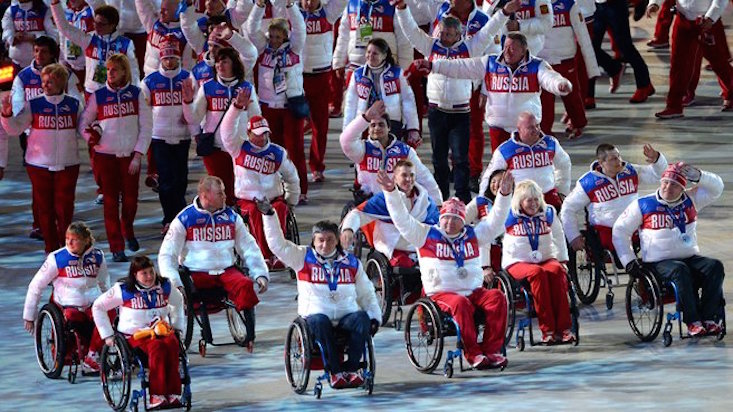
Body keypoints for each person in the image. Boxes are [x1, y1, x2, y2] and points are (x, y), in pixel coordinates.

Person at [379, 168, 513, 368]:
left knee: (497, 298)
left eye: (456, 219)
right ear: (440, 218)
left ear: (463, 221)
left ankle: (492, 350)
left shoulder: (472, 235)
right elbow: (402, 220)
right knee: (460, 303)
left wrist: (503, 196)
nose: (450, 223)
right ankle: (473, 353)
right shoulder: (424, 234)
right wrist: (391, 193)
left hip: (474, 291)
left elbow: (496, 222)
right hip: (441, 294)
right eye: (446, 218)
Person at [395, 0, 517, 202]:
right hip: (436, 111)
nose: (443, 38)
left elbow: (489, 31)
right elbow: (411, 31)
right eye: (441, 33)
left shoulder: (470, 47)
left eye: (448, 35)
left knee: (461, 160)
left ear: (459, 35)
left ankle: (463, 199)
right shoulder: (430, 45)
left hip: (461, 113)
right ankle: (441, 198)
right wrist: (402, 9)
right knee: (439, 160)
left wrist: (503, 12)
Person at [261, 206, 381, 388]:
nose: (325, 245)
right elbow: (278, 245)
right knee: (320, 320)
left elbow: (366, 293)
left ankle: (351, 369)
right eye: (321, 240)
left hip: (345, 318)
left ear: (338, 240)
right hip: (316, 318)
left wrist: (374, 316)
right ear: (313, 241)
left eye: (330, 240)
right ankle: (335, 372)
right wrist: (269, 216)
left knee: (362, 318)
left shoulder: (352, 263)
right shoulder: (302, 257)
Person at [612, 162, 725, 337]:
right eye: (665, 182)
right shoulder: (643, 204)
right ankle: (693, 321)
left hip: (689, 257)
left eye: (674, 184)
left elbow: (717, 188)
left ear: (682, 188)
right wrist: (628, 260)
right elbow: (620, 230)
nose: (668, 187)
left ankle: (709, 318)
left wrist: (700, 176)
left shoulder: (691, 200)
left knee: (715, 266)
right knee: (680, 271)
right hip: (658, 262)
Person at [409, 32, 571, 151]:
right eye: (506, 47)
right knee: (500, 172)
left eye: (513, 48)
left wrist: (560, 84)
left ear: (524, 51)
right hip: (498, 127)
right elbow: (461, 66)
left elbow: (550, 77)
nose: (507, 51)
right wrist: (434, 66)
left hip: (526, 129)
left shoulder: (537, 65)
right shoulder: (490, 62)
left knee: (525, 171)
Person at [158, 176, 268, 349]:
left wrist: (260, 273)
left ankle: (249, 335)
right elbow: (167, 255)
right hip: (196, 272)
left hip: (227, 270)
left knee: (245, 285)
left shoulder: (232, 216)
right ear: (205, 195)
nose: (225, 196)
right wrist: (174, 282)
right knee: (176, 297)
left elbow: (249, 247)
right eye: (220, 193)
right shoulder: (184, 219)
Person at [78, 54, 152, 262]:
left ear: (124, 71)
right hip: (105, 157)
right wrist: (91, 137)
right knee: (110, 202)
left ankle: (127, 228)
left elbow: (146, 127)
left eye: (115, 70)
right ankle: (116, 246)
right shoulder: (98, 96)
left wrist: (138, 155)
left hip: (129, 157)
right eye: (108, 69)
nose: (110, 73)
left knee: (130, 201)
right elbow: (83, 123)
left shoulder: (136, 95)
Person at [1, 64, 83, 253]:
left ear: (61, 82)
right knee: (44, 208)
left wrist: (98, 134)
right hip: (38, 165)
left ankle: (66, 248)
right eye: (44, 81)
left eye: (50, 81)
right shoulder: (34, 104)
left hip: (68, 163)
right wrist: (6, 114)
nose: (45, 85)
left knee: (65, 208)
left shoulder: (73, 104)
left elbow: (84, 129)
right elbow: (15, 129)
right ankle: (50, 248)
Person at [92, 256, 184, 409]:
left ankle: (173, 393)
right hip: (134, 336)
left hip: (161, 330)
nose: (149, 277)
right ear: (135, 275)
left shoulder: (164, 286)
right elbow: (98, 307)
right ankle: (157, 394)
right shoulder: (123, 290)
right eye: (144, 273)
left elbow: (179, 301)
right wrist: (107, 335)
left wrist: (177, 326)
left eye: (151, 272)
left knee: (173, 344)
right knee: (157, 348)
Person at [219, 106, 301, 270]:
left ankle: (279, 254)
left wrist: (292, 199)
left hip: (274, 198)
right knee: (256, 213)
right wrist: (235, 108)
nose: (262, 138)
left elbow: (292, 177)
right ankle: (265, 255)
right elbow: (226, 131)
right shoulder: (238, 148)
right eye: (257, 134)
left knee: (279, 209)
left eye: (264, 133)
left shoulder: (278, 152)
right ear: (248, 134)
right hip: (248, 200)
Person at [22, 222, 110, 374]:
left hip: (92, 303)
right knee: (73, 317)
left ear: (85, 240)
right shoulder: (57, 258)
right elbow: (36, 286)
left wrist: (110, 303)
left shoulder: (97, 256)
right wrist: (29, 316)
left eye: (74, 239)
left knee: (110, 315)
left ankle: (92, 356)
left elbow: (104, 283)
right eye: (67, 238)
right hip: (68, 305)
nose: (69, 242)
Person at [247, 0, 310, 204]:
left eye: (278, 36)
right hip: (268, 107)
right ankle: (275, 189)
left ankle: (301, 190)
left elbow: (300, 27)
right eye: (271, 36)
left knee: (295, 150)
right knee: (271, 151)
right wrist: (258, 6)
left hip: (290, 107)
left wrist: (291, 6)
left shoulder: (295, 49)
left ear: (285, 36)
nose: (273, 40)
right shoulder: (262, 49)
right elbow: (251, 28)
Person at [561, 143, 667, 252]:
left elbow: (659, 175)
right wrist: (573, 236)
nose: (618, 161)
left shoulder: (630, 171)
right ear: (601, 163)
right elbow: (568, 208)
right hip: (607, 232)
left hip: (635, 227)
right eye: (613, 159)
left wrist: (657, 159)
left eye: (619, 156)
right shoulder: (588, 182)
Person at [503, 180, 573, 344]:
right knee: (537, 273)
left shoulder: (548, 212)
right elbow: (487, 236)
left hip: (546, 258)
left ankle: (564, 329)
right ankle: (547, 329)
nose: (534, 204)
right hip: (517, 262)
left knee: (557, 271)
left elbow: (558, 235)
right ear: (520, 201)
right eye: (529, 200)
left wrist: (562, 260)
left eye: (536, 199)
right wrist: (485, 266)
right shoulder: (509, 215)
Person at [141, 35, 199, 236]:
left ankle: (180, 219)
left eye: (173, 57)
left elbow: (197, 105)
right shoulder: (150, 81)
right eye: (166, 58)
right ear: (160, 58)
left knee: (181, 179)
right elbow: (144, 110)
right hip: (159, 137)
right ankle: (170, 219)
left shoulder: (188, 78)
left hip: (183, 137)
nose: (169, 61)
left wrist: (192, 121)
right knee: (165, 181)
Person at [184, 47, 253, 206]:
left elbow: (255, 116)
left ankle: (240, 223)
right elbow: (194, 118)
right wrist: (187, 102)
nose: (219, 65)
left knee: (239, 190)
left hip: (239, 148)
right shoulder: (207, 87)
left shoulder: (246, 88)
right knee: (220, 192)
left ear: (234, 64)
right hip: (214, 148)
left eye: (224, 61)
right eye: (218, 62)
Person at [341, 159, 440, 268]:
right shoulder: (384, 199)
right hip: (393, 246)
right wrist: (348, 229)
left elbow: (436, 225)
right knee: (405, 264)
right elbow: (358, 213)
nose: (408, 179)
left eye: (412, 175)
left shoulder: (426, 201)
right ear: (395, 178)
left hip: (418, 247)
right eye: (404, 175)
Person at [340, 100, 442, 203]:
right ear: (368, 129)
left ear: (389, 128)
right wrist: (366, 117)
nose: (377, 128)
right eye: (373, 125)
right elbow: (345, 140)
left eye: (381, 125)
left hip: (398, 205)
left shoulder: (404, 151)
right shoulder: (362, 149)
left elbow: (424, 177)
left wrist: (437, 203)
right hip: (369, 205)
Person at [646, 0, 733, 118]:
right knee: (678, 64)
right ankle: (673, 106)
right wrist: (654, 3)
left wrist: (711, 17)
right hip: (683, 20)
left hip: (707, 22)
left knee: (718, 61)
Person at [479, 112, 571, 211]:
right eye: (530, 127)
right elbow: (489, 176)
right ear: (519, 129)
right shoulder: (505, 149)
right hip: (519, 202)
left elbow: (564, 164)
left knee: (558, 224)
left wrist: (562, 191)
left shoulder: (551, 143)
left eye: (537, 126)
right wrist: (483, 204)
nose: (536, 130)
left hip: (548, 198)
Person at [299, 0, 349, 183]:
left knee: (320, 126)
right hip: (297, 76)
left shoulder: (329, 12)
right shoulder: (292, 11)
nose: (309, 3)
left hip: (321, 75)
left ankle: (317, 166)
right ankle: (294, 167)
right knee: (295, 127)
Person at [536, 0, 599, 138]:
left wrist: (592, 68)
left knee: (571, 95)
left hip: (566, 60)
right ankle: (544, 131)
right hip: (542, 62)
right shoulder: (533, 4)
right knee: (544, 99)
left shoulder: (570, 4)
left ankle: (578, 124)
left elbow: (583, 35)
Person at [51, 0, 140, 96]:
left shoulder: (125, 44)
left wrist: (136, 93)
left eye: (101, 24)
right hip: (92, 92)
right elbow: (65, 28)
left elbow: (133, 71)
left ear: (112, 25)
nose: (97, 26)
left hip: (116, 92)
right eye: (95, 23)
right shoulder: (89, 39)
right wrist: (55, 4)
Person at [343, 38, 419, 144]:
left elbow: (408, 100)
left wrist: (413, 128)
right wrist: (347, 128)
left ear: (384, 55)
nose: (370, 56)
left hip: (392, 123)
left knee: (391, 158)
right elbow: (350, 104)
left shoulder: (397, 73)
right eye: (368, 52)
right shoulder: (358, 74)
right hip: (365, 124)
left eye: (375, 53)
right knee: (367, 158)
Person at [589, 0, 655, 104]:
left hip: (615, 6)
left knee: (625, 47)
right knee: (590, 49)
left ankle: (644, 84)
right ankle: (612, 70)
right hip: (594, 6)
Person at [135, 0, 195, 77]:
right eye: (161, 9)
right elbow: (142, 6)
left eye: (165, 10)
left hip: (174, 84)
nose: (161, 12)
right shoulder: (153, 24)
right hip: (151, 82)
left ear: (177, 11)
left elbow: (188, 67)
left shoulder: (186, 34)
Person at [466, 168, 506, 281]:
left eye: (501, 182)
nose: (496, 185)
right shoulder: (480, 202)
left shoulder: (515, 203)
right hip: (485, 251)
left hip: (507, 249)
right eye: (493, 182)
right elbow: (461, 220)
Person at [483, 0, 553, 56]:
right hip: (499, 54)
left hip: (531, 53)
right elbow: (485, 25)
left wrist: (520, 26)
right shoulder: (490, 2)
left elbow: (546, 23)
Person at [2, 0, 58, 69]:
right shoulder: (11, 10)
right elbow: (6, 30)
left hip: (41, 64)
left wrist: (35, 38)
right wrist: (12, 38)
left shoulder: (45, 10)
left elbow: (55, 37)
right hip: (17, 62)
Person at [59, 0, 96, 82]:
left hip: (89, 65)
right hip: (71, 66)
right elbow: (62, 38)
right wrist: (62, 61)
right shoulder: (67, 13)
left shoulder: (92, 11)